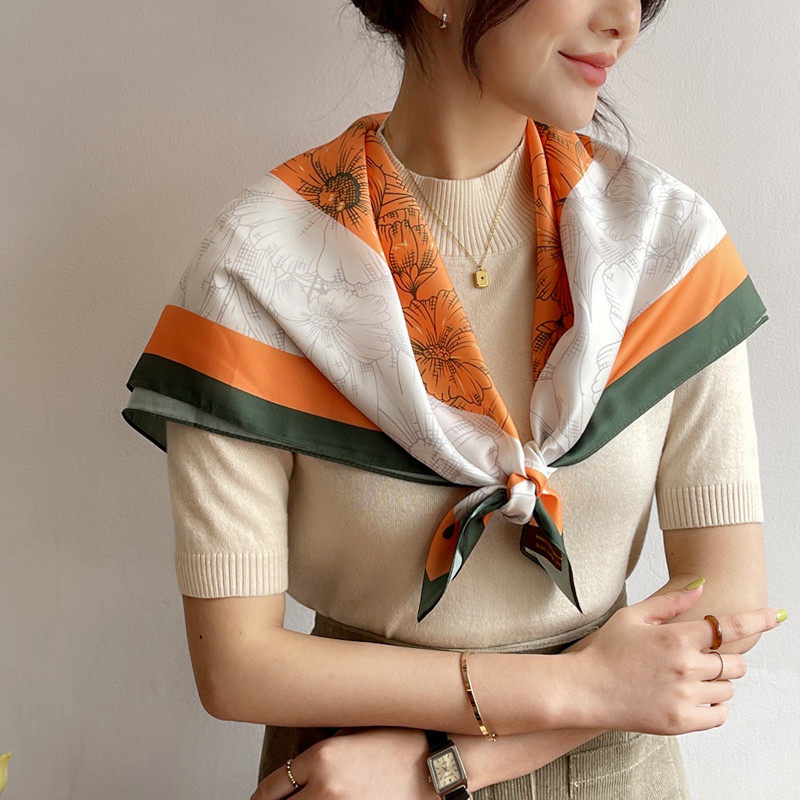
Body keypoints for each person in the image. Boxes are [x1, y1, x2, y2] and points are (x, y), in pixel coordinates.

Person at [128, 1, 787, 798]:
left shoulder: (662, 247)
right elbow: (236, 665)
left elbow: (726, 608)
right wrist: (584, 686)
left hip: (564, 772)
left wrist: (448, 766)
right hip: (346, 777)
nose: (623, 19)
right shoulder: (259, 273)